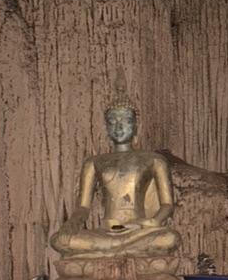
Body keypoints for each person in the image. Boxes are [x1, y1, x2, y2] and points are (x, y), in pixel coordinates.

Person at [50, 102, 180, 257]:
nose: (119, 127)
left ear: (136, 126)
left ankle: (104, 253)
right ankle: (125, 251)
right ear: (106, 128)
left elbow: (167, 205)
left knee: (170, 238)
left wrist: (150, 223)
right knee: (58, 240)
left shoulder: (154, 160)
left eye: (126, 121)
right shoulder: (94, 162)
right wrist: (71, 224)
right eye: (112, 122)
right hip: (105, 232)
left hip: (138, 231)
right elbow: (83, 208)